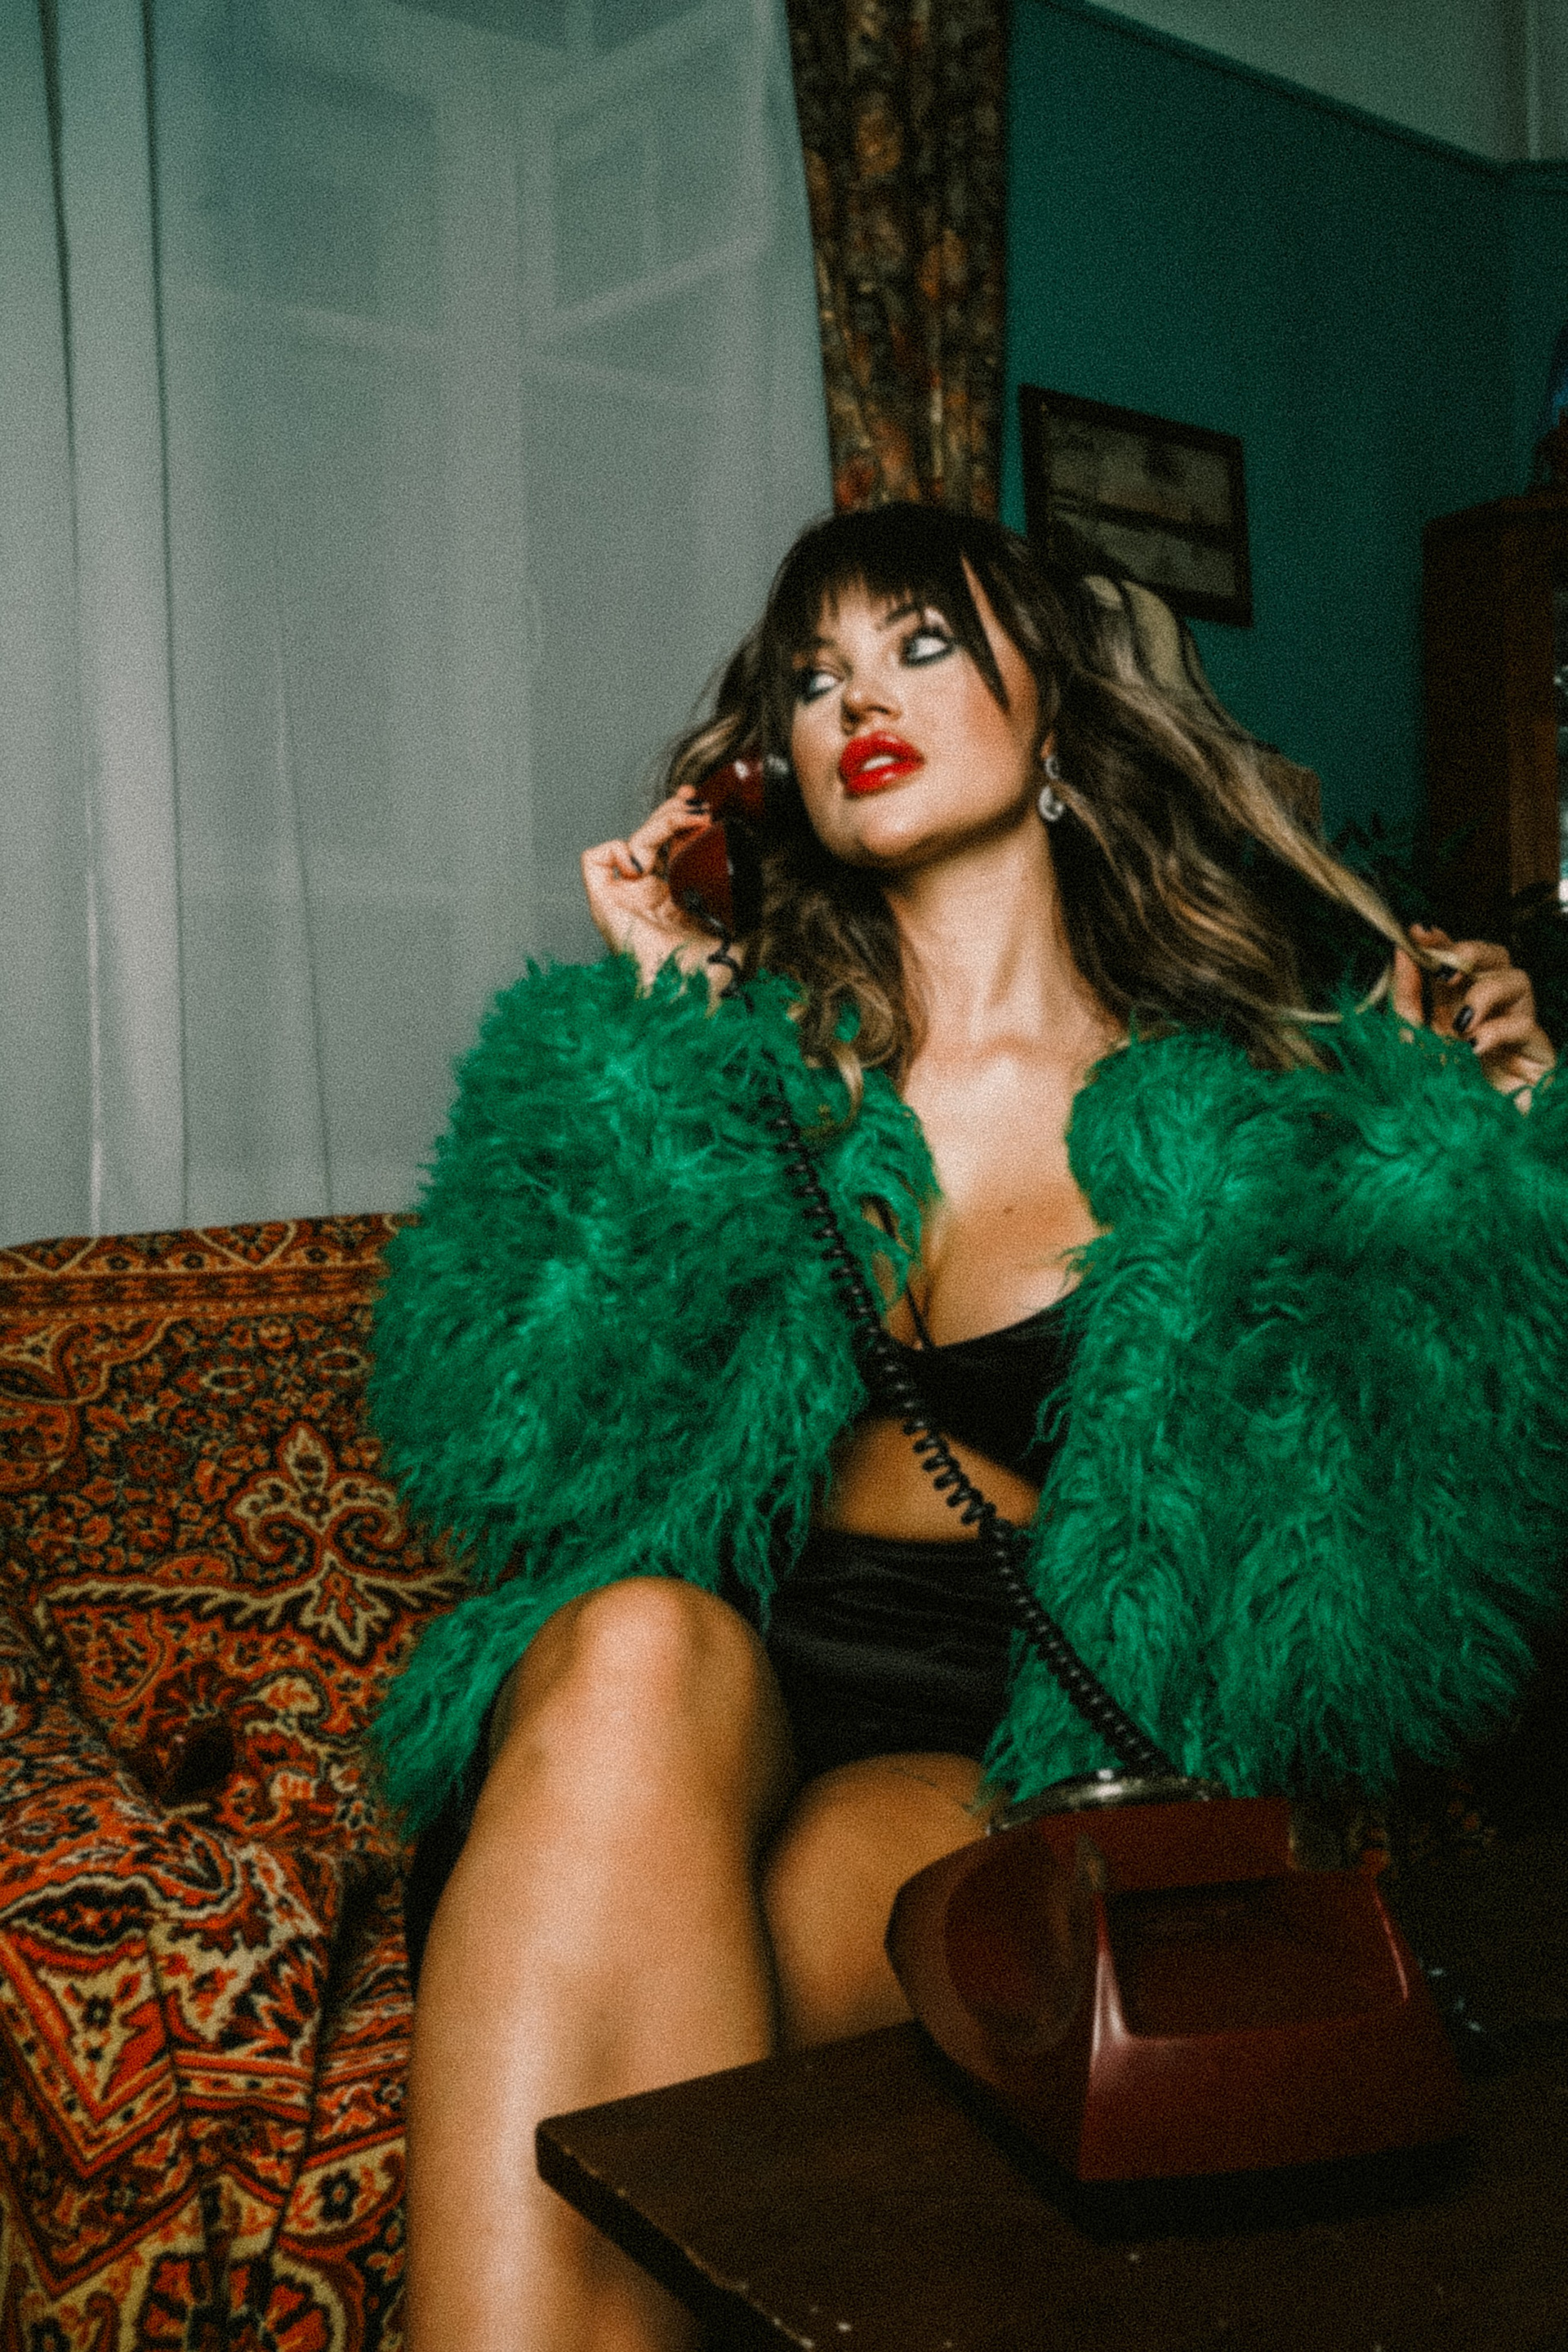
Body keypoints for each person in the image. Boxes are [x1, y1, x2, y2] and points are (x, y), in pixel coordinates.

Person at [369, 505, 1565, 2352]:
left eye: (920, 645)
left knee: (750, 1955)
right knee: (630, 1642)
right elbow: (508, 1456)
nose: (861, 700)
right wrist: (656, 1035)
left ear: (1056, 710)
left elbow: (1398, 1601)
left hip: (990, 1733)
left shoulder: (1251, 1104)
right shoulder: (748, 1065)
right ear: (770, 771)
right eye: (815, 677)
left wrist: (1470, 1165)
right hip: (700, 1683)